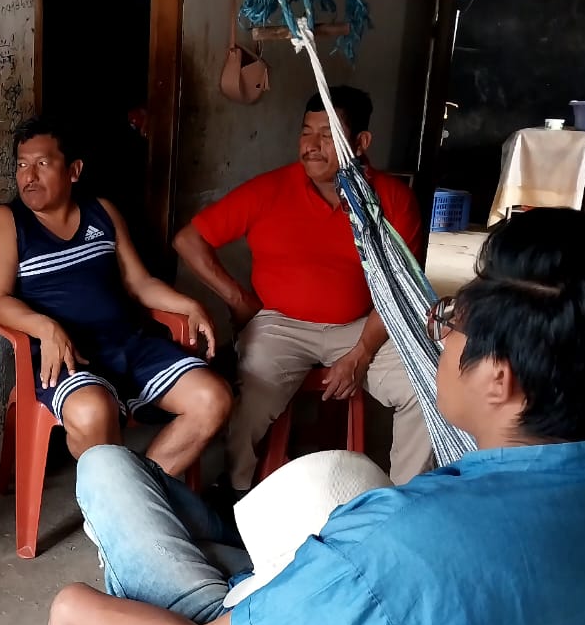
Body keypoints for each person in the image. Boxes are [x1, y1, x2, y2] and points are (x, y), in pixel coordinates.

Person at [48, 206, 585, 625]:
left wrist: (78, 605)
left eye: (452, 321)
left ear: (499, 379)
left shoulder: (403, 544)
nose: (439, 335)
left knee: (106, 470)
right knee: (169, 507)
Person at [173, 86, 433, 494]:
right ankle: (237, 488)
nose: (311, 146)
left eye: (327, 135)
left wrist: (361, 353)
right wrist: (238, 299)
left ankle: (408, 500)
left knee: (425, 384)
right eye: (306, 132)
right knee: (253, 390)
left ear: (361, 142)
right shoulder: (269, 190)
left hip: (363, 326)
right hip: (281, 325)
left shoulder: (393, 200)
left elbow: (399, 289)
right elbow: (188, 240)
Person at [0, 116, 231, 477]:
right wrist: (45, 327)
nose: (28, 176)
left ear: (74, 171)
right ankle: (126, 499)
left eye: (42, 164)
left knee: (213, 399)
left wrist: (189, 304)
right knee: (92, 412)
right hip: (66, 358)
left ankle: (140, 490)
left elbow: (139, 283)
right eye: (22, 165)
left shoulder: (102, 212)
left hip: (129, 346)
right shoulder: (6, 222)